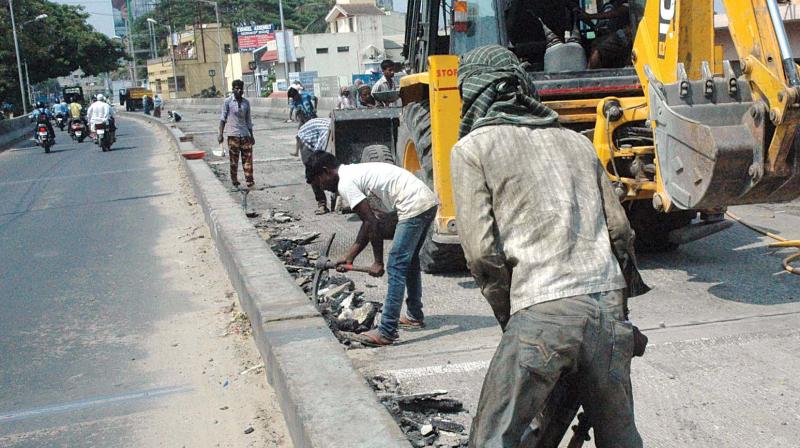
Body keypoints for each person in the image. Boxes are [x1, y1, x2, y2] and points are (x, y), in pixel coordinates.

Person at [450, 45, 647, 447]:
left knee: (494, 436)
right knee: (620, 437)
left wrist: (512, 316)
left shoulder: (472, 149)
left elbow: (481, 253)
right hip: (606, 306)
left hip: (541, 304)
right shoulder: (576, 142)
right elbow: (621, 232)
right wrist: (617, 311)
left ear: (471, 92)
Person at [306, 151, 439, 346]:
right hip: (425, 201)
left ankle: (386, 331)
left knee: (396, 266)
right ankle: (414, 315)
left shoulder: (345, 183)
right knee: (409, 262)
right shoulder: (352, 173)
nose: (323, 188)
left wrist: (378, 262)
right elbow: (368, 223)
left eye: (319, 182)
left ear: (325, 172)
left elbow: (372, 223)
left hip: (413, 205)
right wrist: (350, 256)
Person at [218, 79, 255, 188]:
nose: (239, 90)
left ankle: (249, 181)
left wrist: (252, 135)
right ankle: (234, 179)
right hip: (233, 135)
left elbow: (248, 121)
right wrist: (220, 134)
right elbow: (223, 119)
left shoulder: (246, 103)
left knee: (248, 159)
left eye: (240, 88)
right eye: (236, 88)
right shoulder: (227, 102)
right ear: (233, 89)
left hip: (245, 135)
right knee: (234, 160)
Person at [293, 117, 333, 214]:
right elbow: (318, 153)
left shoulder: (335, 127)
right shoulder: (326, 131)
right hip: (305, 139)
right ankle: (322, 204)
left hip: (313, 133)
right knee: (313, 169)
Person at [580, 0, 632, 69]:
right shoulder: (615, 5)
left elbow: (615, 13)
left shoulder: (631, 4)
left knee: (598, 53)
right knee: (595, 44)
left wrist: (590, 16)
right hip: (617, 33)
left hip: (627, 34)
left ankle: (590, 76)